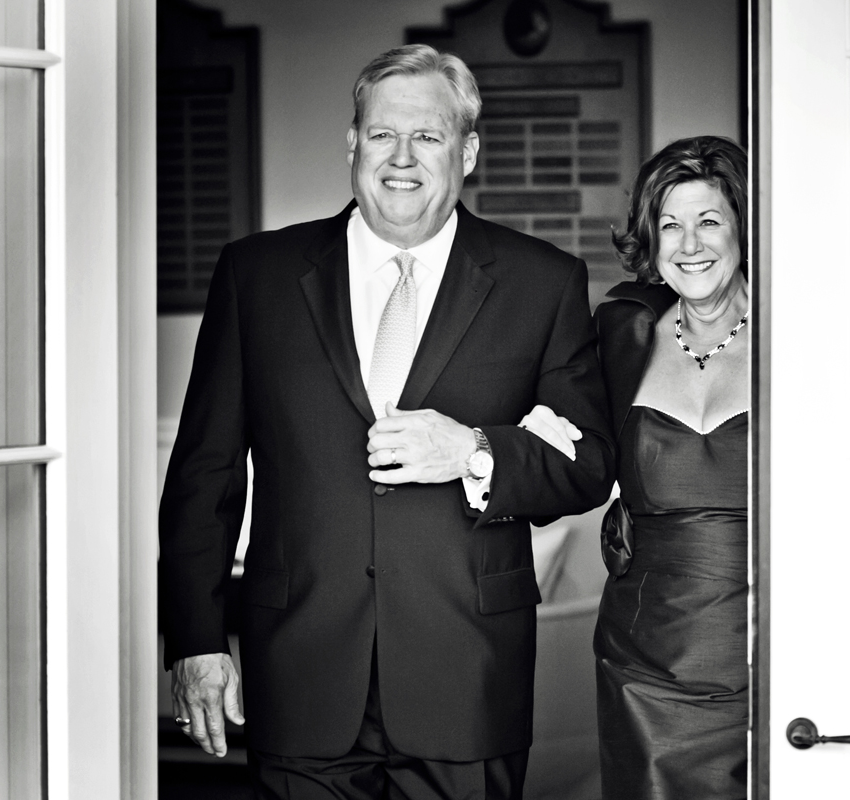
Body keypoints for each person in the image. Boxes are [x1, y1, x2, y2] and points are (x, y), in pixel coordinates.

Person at [158, 45, 615, 800]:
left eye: (428, 136)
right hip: (300, 675)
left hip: (467, 678)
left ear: (466, 151)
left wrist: (473, 451)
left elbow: (589, 462)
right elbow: (204, 470)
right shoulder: (257, 275)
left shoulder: (542, 280)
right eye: (381, 135)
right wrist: (196, 641)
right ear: (352, 143)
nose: (401, 158)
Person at [594, 135, 750, 799]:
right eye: (669, 225)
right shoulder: (620, 332)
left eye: (709, 220)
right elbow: (567, 454)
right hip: (642, 663)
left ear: (746, 228)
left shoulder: (818, 332)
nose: (690, 244)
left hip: (767, 653)